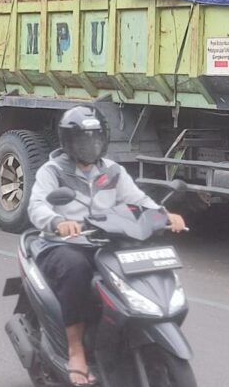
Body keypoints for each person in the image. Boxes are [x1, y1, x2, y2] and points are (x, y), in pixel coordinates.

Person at [28, 105, 186, 387]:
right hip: (63, 244)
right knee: (76, 269)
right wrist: (57, 222)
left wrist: (163, 215)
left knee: (139, 267)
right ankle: (76, 350)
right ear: (68, 142)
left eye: (95, 138)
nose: (90, 145)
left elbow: (138, 200)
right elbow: (37, 207)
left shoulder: (112, 171)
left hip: (105, 242)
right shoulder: (52, 171)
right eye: (82, 140)